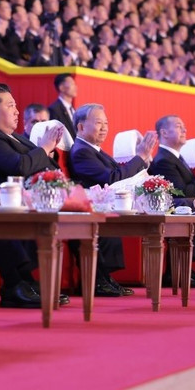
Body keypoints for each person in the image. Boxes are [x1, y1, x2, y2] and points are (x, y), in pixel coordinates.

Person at [0, 83, 68, 308]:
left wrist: (46, 152)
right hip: (3, 197)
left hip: (28, 196)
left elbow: (46, 163)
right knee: (5, 214)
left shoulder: (14, 137)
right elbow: (20, 166)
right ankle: (15, 284)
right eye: (10, 106)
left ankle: (26, 281)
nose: (16, 111)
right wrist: (44, 148)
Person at [68, 103, 157, 295]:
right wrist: (139, 156)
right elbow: (112, 179)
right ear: (81, 127)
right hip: (88, 207)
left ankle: (105, 278)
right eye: (98, 123)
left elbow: (118, 173)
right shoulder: (82, 151)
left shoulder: (95, 150)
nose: (104, 128)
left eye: (106, 123)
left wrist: (142, 161)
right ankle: (98, 281)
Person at [148, 115, 195, 287]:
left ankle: (185, 269)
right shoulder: (164, 160)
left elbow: (188, 187)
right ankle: (178, 271)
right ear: (164, 133)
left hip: (180, 207)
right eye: (178, 126)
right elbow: (181, 192)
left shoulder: (175, 157)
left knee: (190, 206)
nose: (184, 130)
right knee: (185, 205)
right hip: (169, 208)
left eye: (184, 126)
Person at [48, 73, 77, 138]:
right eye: (72, 84)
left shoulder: (73, 109)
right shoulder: (54, 110)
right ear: (61, 88)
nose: (75, 87)